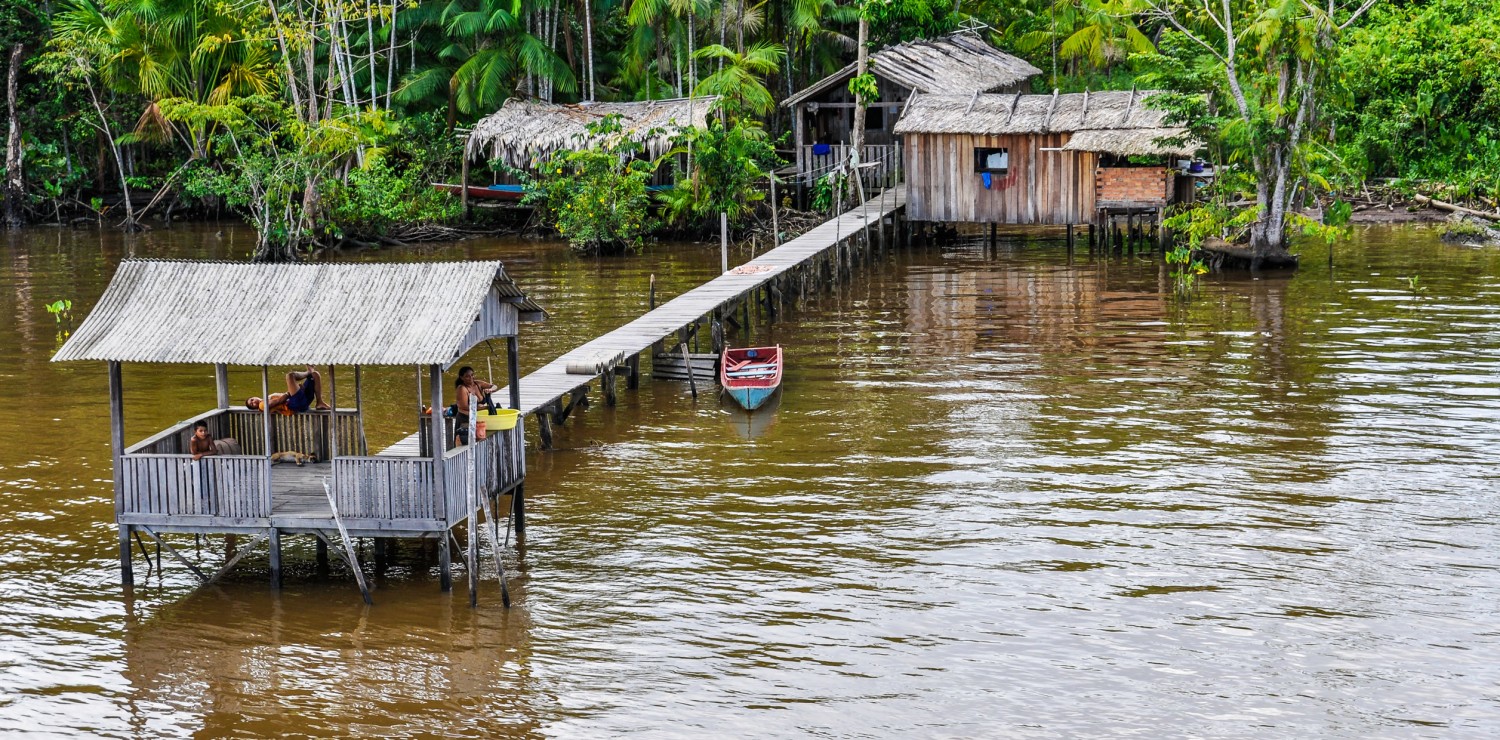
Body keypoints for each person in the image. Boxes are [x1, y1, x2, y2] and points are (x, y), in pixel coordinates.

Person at [246, 366, 330, 416]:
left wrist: (298, 390)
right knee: (290, 376)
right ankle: (308, 372)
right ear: (254, 408)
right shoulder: (262, 405)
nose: (253, 402)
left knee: (315, 375)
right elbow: (280, 401)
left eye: (252, 399)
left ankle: (319, 402)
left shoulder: (267, 398)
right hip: (295, 405)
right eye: (252, 404)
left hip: (302, 402)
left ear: (255, 396)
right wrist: (289, 393)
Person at [453, 365, 498, 445]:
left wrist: (490, 389)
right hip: (465, 420)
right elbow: (464, 406)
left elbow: (494, 386)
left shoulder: (478, 384)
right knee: (465, 445)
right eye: (467, 376)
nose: (471, 378)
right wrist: (485, 407)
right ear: (461, 378)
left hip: (478, 420)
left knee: (479, 443)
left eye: (472, 375)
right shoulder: (462, 388)